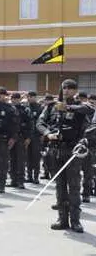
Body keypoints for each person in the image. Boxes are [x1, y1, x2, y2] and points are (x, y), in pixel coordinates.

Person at [36, 79, 92, 233]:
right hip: (55, 150)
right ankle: (62, 219)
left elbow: (88, 111)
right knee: (60, 187)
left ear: (75, 91)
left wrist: (67, 107)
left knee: (73, 186)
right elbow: (39, 123)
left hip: (72, 151)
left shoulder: (81, 107)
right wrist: (48, 133)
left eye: (70, 88)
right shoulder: (51, 106)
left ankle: (75, 221)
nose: (66, 90)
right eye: (64, 88)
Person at [0, 87, 19, 193]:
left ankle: (2, 184)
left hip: (4, 139)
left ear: (5, 95)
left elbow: (15, 125)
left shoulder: (10, 108)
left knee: (3, 162)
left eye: (1, 94)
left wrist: (13, 138)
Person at [9, 92, 32, 189]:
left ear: (19, 99)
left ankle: (20, 181)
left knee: (21, 160)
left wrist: (28, 137)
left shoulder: (25, 110)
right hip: (11, 137)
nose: (14, 100)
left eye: (16, 98)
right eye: (13, 98)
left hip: (21, 137)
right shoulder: (9, 109)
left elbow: (30, 124)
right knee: (12, 159)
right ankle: (13, 180)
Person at [26, 91, 43, 184]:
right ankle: (29, 176)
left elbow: (43, 123)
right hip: (27, 136)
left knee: (36, 157)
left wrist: (42, 135)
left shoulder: (40, 108)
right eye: (28, 97)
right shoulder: (26, 107)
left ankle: (36, 176)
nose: (29, 98)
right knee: (28, 157)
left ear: (35, 97)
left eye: (31, 97)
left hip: (37, 136)